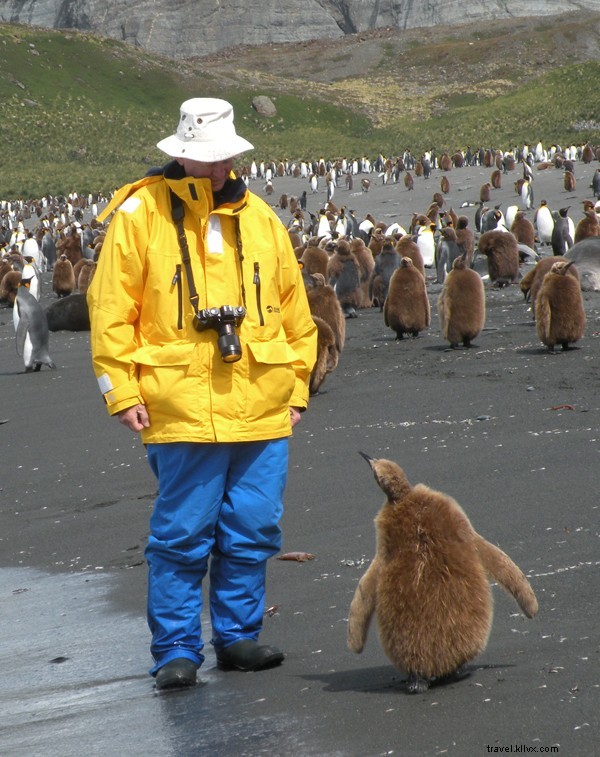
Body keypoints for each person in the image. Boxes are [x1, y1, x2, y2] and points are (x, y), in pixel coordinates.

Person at [87, 98, 317, 690]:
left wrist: (297, 387)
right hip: (180, 404)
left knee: (253, 526)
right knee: (182, 534)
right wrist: (120, 391)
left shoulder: (262, 219)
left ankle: (238, 638)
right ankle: (175, 650)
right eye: (208, 159)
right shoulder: (140, 216)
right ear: (182, 153)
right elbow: (111, 311)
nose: (219, 169)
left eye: (226, 158)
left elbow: (296, 313)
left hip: (262, 403)